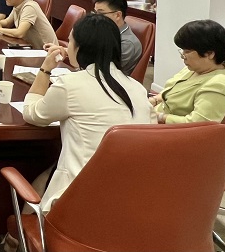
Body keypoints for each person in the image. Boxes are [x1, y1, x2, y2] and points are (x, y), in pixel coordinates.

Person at [23, 14, 155, 212]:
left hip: (78, 204)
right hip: (130, 203)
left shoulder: (70, 85)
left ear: (80, 47)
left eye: (70, 41)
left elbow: (31, 114)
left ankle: (24, 229)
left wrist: (46, 69)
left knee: (44, 180)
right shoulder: (138, 89)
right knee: (47, 175)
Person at [150, 20, 225, 124]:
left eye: (187, 51)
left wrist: (160, 117)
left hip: (168, 129)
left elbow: (199, 125)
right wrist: (154, 100)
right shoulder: (196, 67)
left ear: (210, 54)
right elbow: (171, 91)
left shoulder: (218, 85)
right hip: (155, 114)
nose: (182, 56)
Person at [92, 0, 142, 75]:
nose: (95, 18)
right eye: (95, 12)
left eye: (100, 13)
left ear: (118, 15)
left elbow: (106, 70)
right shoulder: (105, 31)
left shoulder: (127, 43)